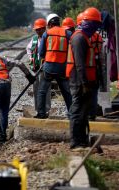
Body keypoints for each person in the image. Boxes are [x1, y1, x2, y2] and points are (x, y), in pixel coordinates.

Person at [66, 7, 102, 149]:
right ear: (87, 23)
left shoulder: (85, 37)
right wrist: (85, 83)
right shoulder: (79, 38)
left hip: (86, 81)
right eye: (95, 24)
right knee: (76, 111)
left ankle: (82, 140)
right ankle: (75, 141)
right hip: (80, 82)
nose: (96, 28)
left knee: (83, 112)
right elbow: (80, 64)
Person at [37, 13, 72, 118]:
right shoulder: (67, 33)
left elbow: (41, 52)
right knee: (66, 92)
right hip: (62, 67)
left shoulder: (46, 34)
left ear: (49, 24)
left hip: (49, 66)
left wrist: (46, 57)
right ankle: (71, 114)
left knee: (42, 91)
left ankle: (41, 113)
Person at [26, 18, 51, 115]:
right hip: (36, 68)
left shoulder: (49, 38)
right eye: (36, 29)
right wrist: (30, 58)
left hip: (45, 67)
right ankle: (38, 109)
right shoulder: (34, 39)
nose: (38, 31)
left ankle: (47, 109)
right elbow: (28, 49)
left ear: (44, 28)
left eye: (40, 29)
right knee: (36, 88)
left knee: (46, 89)